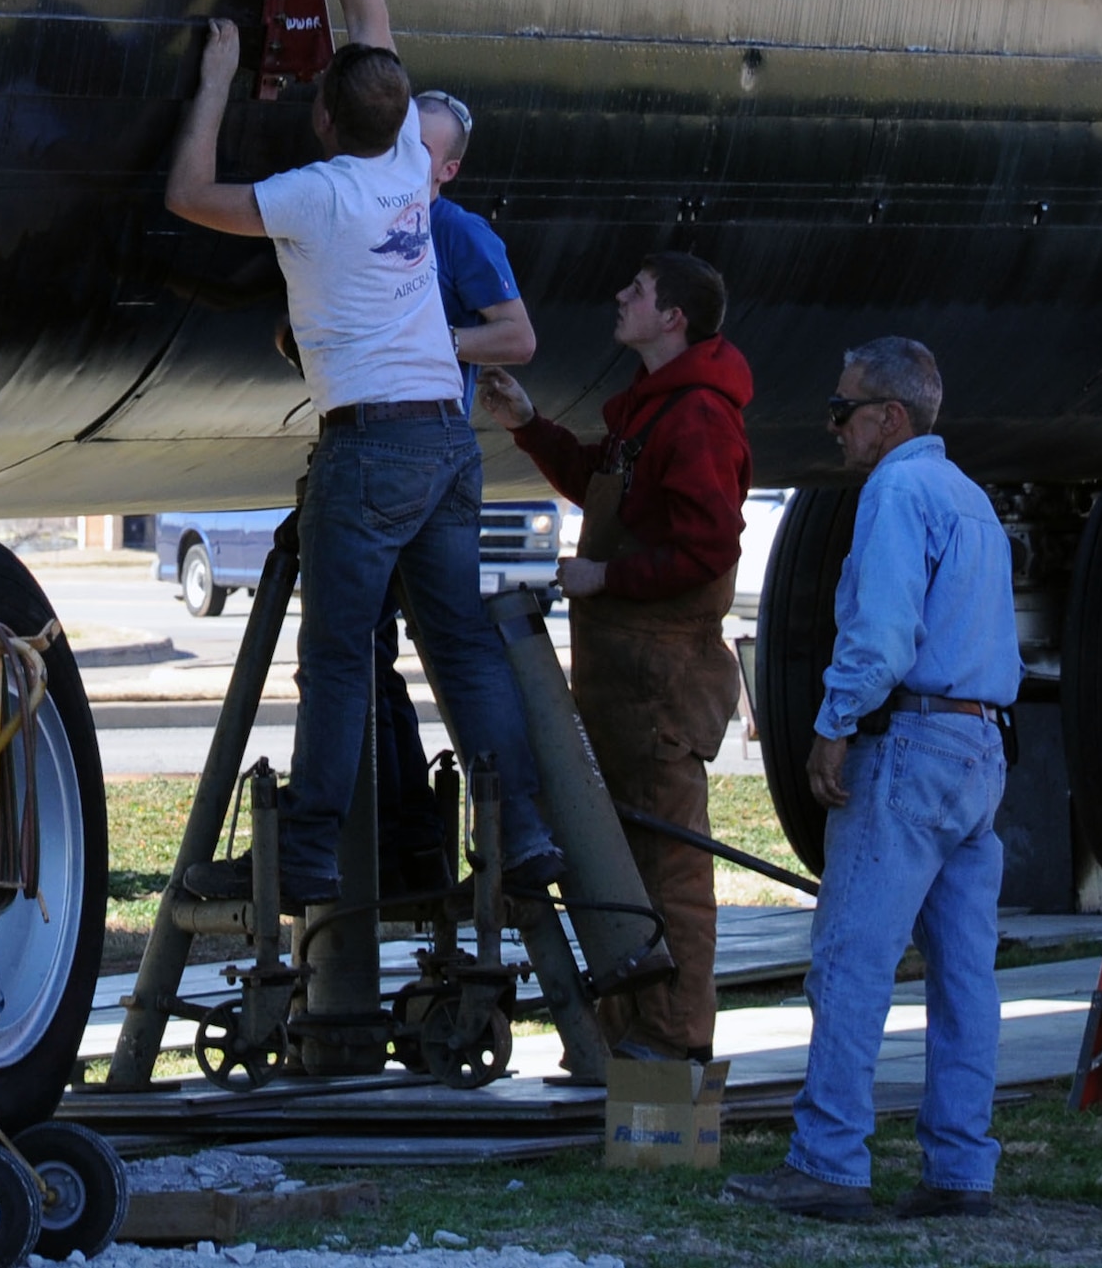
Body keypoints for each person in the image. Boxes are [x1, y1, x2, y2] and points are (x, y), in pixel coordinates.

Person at [165, 0, 561, 907]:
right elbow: (369, 20)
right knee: (463, 654)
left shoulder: (310, 193)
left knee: (339, 661)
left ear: (323, 118)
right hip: (445, 434)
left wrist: (209, 84)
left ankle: (306, 857)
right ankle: (520, 834)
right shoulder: (402, 167)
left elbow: (190, 195)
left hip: (370, 443)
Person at [729, 338, 1020, 1222]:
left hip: (911, 743)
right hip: (981, 749)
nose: (835, 424)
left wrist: (830, 727)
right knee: (965, 973)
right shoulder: (967, 496)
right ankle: (962, 1167)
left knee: (852, 959)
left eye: (844, 408)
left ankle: (828, 1162)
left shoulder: (894, 491)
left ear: (889, 418)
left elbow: (882, 637)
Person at [478, 253, 751, 1062]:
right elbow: (606, 479)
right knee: (622, 857)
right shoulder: (654, 410)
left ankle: (670, 1037)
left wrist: (607, 575)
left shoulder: (696, 415)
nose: (618, 295)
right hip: (628, 679)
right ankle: (631, 1028)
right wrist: (529, 424)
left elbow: (706, 548)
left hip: (660, 683)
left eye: (635, 289)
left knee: (667, 866)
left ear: (673, 318)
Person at [375, 89, 541, 894]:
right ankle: (399, 826)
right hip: (391, 445)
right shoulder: (370, 214)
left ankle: (520, 827)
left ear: (448, 167)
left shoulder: (457, 231)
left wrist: (435, 339)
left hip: (429, 445)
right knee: (367, 648)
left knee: (452, 649)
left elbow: (517, 335)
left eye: (423, 148)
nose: (407, 157)